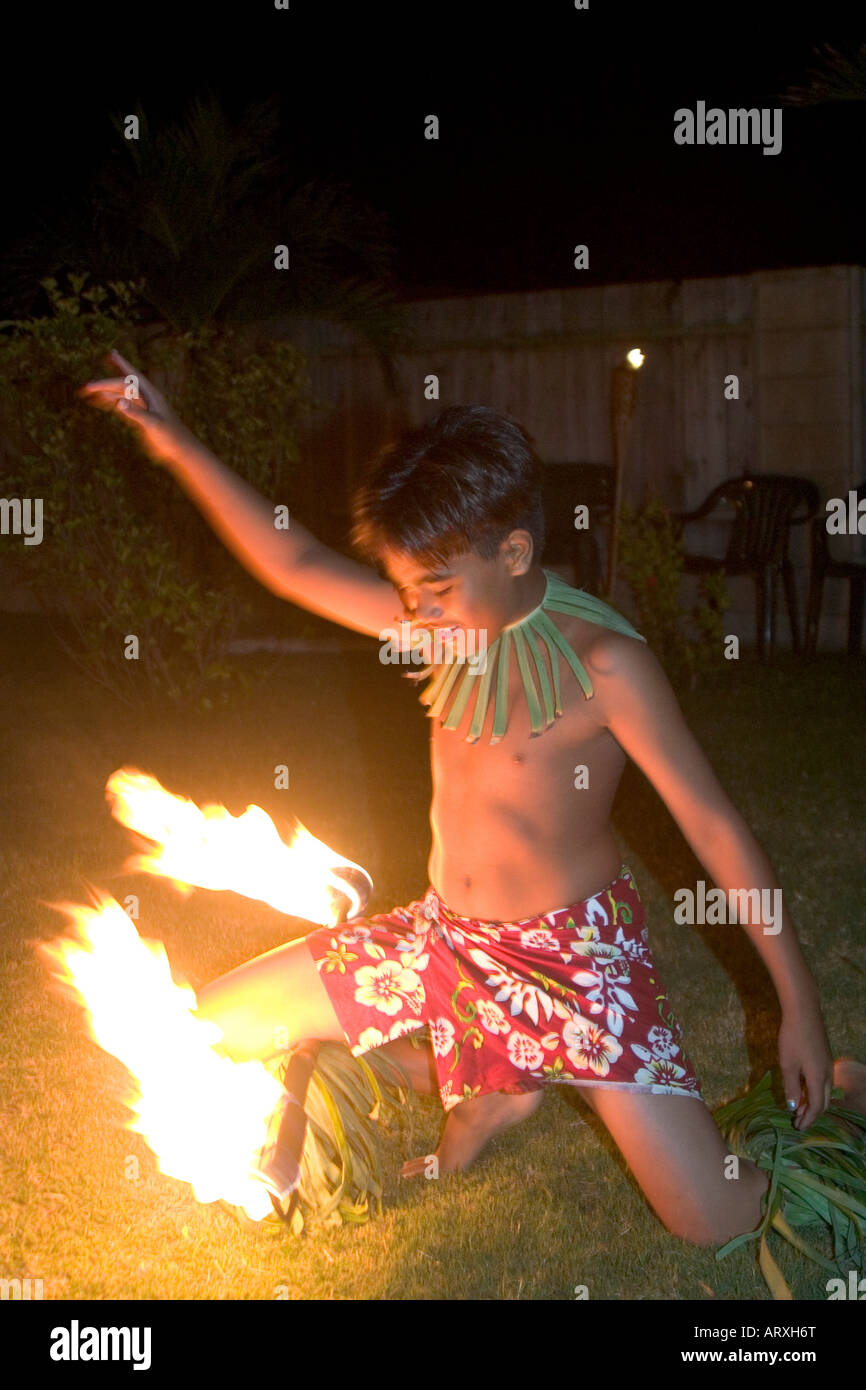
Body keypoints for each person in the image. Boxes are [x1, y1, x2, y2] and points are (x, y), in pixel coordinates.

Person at [80, 351, 866, 1245]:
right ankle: (491, 1078)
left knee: (712, 1216)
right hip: (448, 940)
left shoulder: (608, 667)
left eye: (434, 593)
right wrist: (173, 437)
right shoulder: (451, 624)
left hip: (576, 968)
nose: (413, 616)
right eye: (407, 592)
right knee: (209, 1031)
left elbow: (717, 830)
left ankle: (510, 1074)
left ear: (515, 551)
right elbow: (293, 560)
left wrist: (798, 1003)